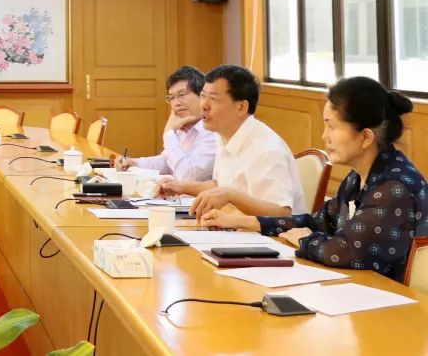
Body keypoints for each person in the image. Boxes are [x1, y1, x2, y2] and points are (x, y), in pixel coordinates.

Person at [202, 77, 427, 282]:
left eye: (332, 126)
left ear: (365, 137)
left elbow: (345, 252)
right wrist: (245, 222)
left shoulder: (393, 188)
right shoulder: (358, 177)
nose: (324, 136)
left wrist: (305, 240)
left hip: (398, 304)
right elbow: (318, 221)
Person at [162, 64, 307, 217]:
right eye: (203, 96)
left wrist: (231, 196)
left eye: (213, 99)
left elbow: (282, 213)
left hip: (270, 232)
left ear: (241, 107)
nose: (204, 105)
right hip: (232, 226)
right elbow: (220, 185)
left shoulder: (268, 149)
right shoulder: (224, 135)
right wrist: (182, 187)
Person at [112, 65, 219, 181]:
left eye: (181, 95)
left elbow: (189, 176)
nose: (176, 103)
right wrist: (135, 163)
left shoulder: (214, 131)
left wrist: (169, 134)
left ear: (202, 96)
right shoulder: (184, 126)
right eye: (171, 98)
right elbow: (166, 161)